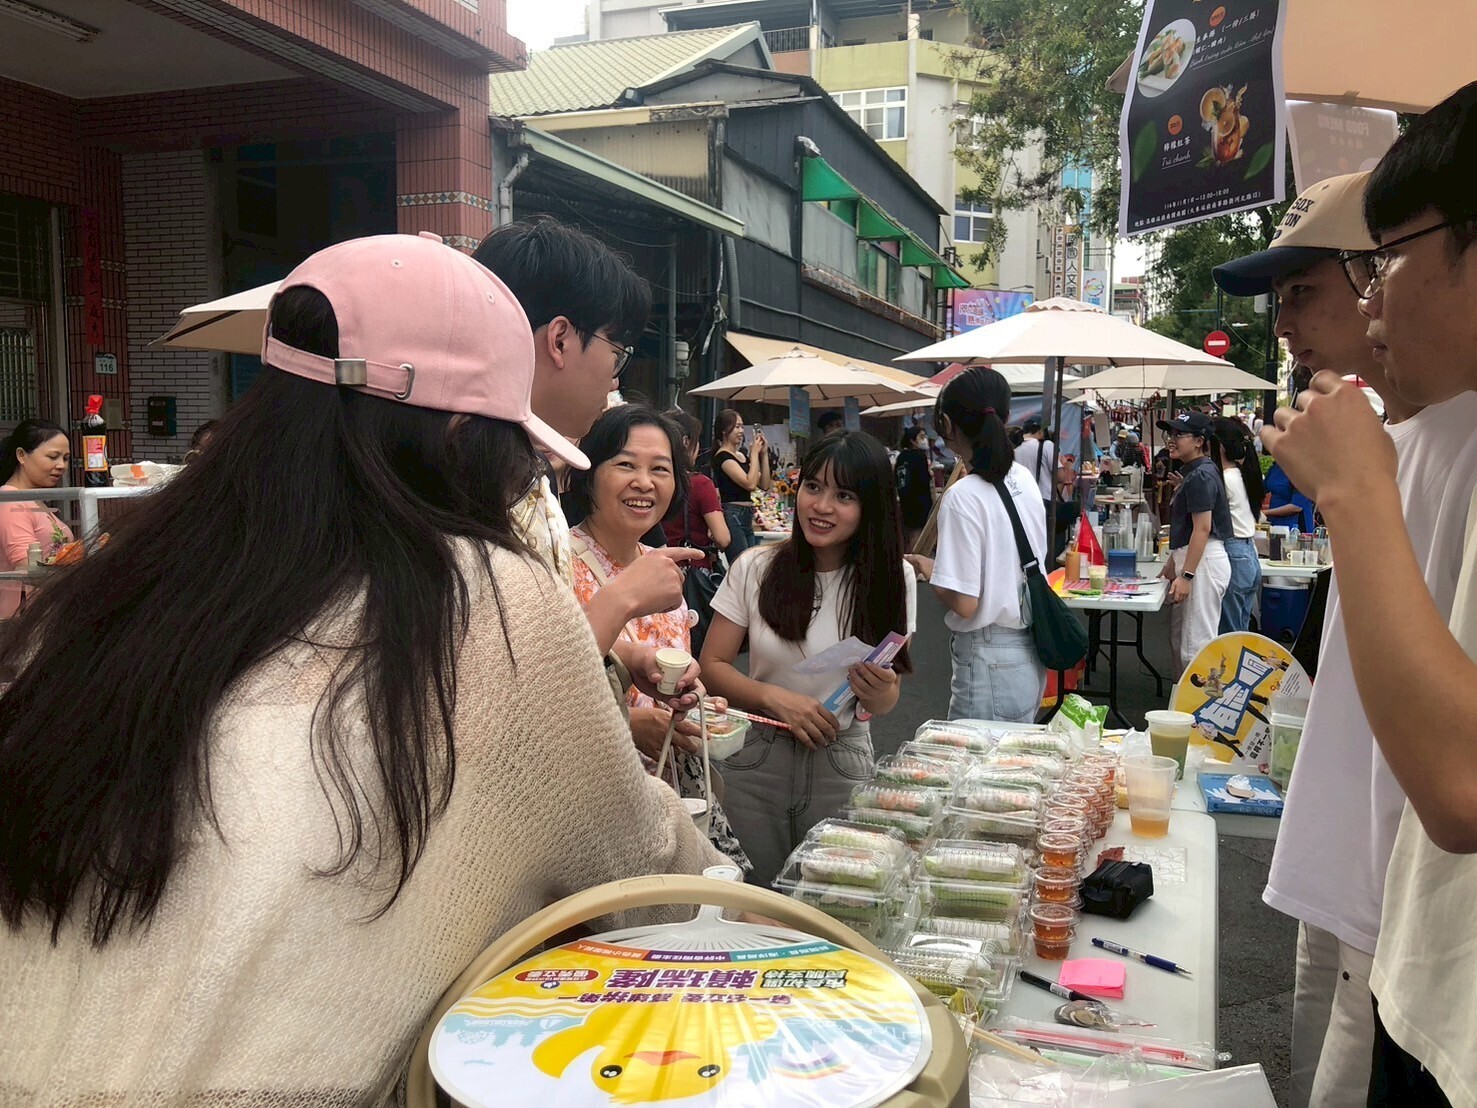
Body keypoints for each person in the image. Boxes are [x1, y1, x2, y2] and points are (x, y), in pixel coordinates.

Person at [0, 233, 725, 1101]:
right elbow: (644, 867)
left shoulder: (115, 589)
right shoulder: (483, 596)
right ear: (460, 434)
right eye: (515, 453)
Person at [1261, 82, 1477, 1108]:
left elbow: (1458, 781)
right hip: (1385, 929)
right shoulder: (1414, 439)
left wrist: (1351, 488)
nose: (1373, 298)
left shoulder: (1438, 443)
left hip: (1422, 968)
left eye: (1382, 260)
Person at [1216, 169, 1445, 1108]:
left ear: (1379, 277)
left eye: (1302, 293)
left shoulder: (1440, 444)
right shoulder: (1394, 438)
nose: (1281, 325)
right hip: (1341, 877)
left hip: (1399, 905)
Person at [474, 217, 703, 690]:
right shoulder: (475, 486)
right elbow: (511, 693)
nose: (613, 377)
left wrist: (624, 655)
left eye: (661, 469)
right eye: (615, 350)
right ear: (560, 340)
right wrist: (617, 602)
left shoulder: (509, 467)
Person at [700, 431, 915, 886]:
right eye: (813, 487)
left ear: (870, 506)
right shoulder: (755, 567)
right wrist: (772, 698)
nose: (821, 506)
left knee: (835, 901)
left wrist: (883, 689)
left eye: (844, 495)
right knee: (751, 903)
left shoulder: (895, 578)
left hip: (842, 755)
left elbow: (887, 697)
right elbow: (712, 666)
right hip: (755, 755)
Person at [566, 405, 750, 872]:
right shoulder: (555, 565)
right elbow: (541, 691)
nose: (644, 482)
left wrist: (697, 703)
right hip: (592, 814)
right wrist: (628, 723)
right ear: (589, 473)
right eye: (625, 464)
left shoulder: (664, 567)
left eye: (660, 470)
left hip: (671, 803)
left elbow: (672, 671)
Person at [906, 367, 1047, 723]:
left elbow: (965, 602)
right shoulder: (1023, 479)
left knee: (976, 771)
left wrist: (930, 568)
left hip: (987, 658)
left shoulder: (962, 497)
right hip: (1029, 649)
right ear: (1005, 416)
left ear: (947, 425)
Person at [1156, 411, 1233, 674]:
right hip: (1194, 558)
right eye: (1171, 434)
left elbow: (1202, 528)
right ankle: (1184, 710)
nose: (1172, 440)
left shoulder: (1201, 474)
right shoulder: (1196, 472)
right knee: (1182, 642)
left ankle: (1200, 713)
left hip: (1202, 562)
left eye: (1180, 434)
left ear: (1199, 441)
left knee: (1195, 647)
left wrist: (1186, 574)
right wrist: (1173, 563)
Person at [0, 419, 74, 619]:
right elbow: (26, 566)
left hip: (47, 614)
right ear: (21, 455)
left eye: (66, 458)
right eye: (53, 457)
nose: (61, 466)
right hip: (24, 619)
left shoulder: (33, 501)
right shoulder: (11, 502)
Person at [1212, 417, 1264, 634]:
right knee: (1239, 630)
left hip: (1233, 552)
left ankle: (1233, 669)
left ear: (1219, 445)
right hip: (1248, 552)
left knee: (1228, 632)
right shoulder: (1240, 474)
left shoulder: (1222, 479)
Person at [662, 409, 730, 564]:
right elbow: (723, 538)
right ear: (686, 442)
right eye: (697, 441)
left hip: (654, 566)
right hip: (692, 571)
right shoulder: (700, 483)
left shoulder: (653, 479)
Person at [711, 409, 770, 560]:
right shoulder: (723, 457)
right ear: (724, 430)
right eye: (736, 427)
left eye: (742, 427)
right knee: (741, 564)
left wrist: (763, 454)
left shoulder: (742, 455)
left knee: (751, 564)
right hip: (733, 514)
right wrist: (754, 454)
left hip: (746, 515)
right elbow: (749, 484)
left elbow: (764, 484)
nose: (741, 431)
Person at [894, 422, 934, 552]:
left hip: (906, 502)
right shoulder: (919, 456)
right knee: (919, 535)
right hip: (920, 502)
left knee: (909, 535)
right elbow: (923, 479)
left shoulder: (901, 457)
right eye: (921, 437)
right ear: (912, 440)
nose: (925, 440)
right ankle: (917, 563)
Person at [1264, 459, 1316, 534]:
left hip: (1295, 528)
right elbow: (1261, 490)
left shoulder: (1302, 470)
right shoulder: (1276, 467)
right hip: (1275, 524)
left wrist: (1265, 512)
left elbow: (1296, 507)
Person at [1014, 416, 1057, 503]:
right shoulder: (1047, 446)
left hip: (1023, 501)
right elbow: (1060, 476)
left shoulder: (1015, 451)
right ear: (1041, 432)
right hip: (1045, 500)